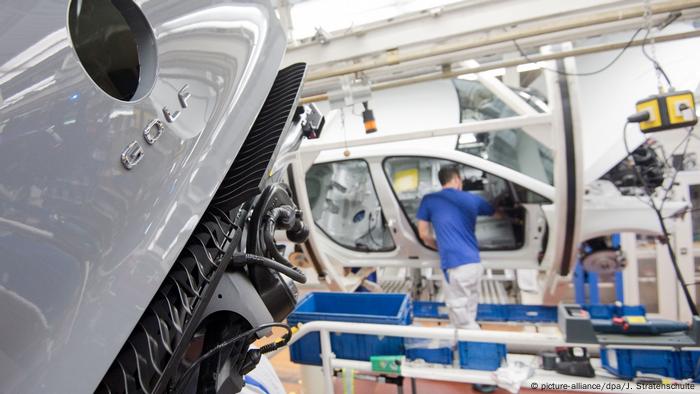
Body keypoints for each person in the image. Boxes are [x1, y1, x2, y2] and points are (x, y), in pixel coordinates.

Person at [416, 165, 495, 329]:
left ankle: (473, 345)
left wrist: (438, 245)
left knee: (461, 316)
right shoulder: (472, 198)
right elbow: (495, 212)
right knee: (469, 309)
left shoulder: (429, 200)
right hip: (474, 264)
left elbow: (423, 234)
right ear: (457, 180)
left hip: (455, 265)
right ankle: (463, 343)